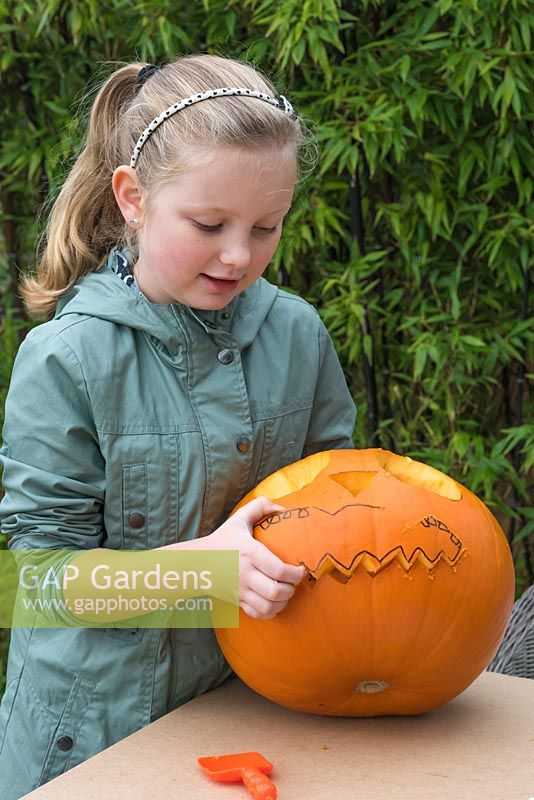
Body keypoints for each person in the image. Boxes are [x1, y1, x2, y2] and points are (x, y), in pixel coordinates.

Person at [0, 54, 356, 797]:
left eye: (267, 227)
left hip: (253, 713)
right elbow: (35, 584)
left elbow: (337, 506)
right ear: (133, 198)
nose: (239, 254)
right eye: (208, 224)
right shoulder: (66, 359)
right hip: (90, 737)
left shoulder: (298, 335)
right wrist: (206, 571)